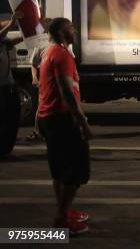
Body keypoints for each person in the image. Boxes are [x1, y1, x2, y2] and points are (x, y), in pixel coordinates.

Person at [37, 18, 92, 235]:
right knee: (76, 171)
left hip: (49, 118)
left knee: (59, 169)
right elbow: (67, 92)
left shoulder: (48, 52)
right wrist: (82, 121)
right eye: (71, 27)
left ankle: (64, 210)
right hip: (63, 119)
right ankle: (61, 218)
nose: (75, 30)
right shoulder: (61, 55)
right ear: (61, 32)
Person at [0, 13, 23, 155]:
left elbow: (11, 42)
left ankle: (5, 148)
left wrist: (34, 34)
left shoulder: (3, 43)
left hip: (7, 87)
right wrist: (11, 23)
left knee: (8, 120)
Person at [27, 17, 53, 142]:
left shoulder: (62, 44)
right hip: (45, 81)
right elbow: (33, 63)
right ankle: (37, 131)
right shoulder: (40, 46)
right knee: (42, 106)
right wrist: (34, 78)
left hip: (57, 81)